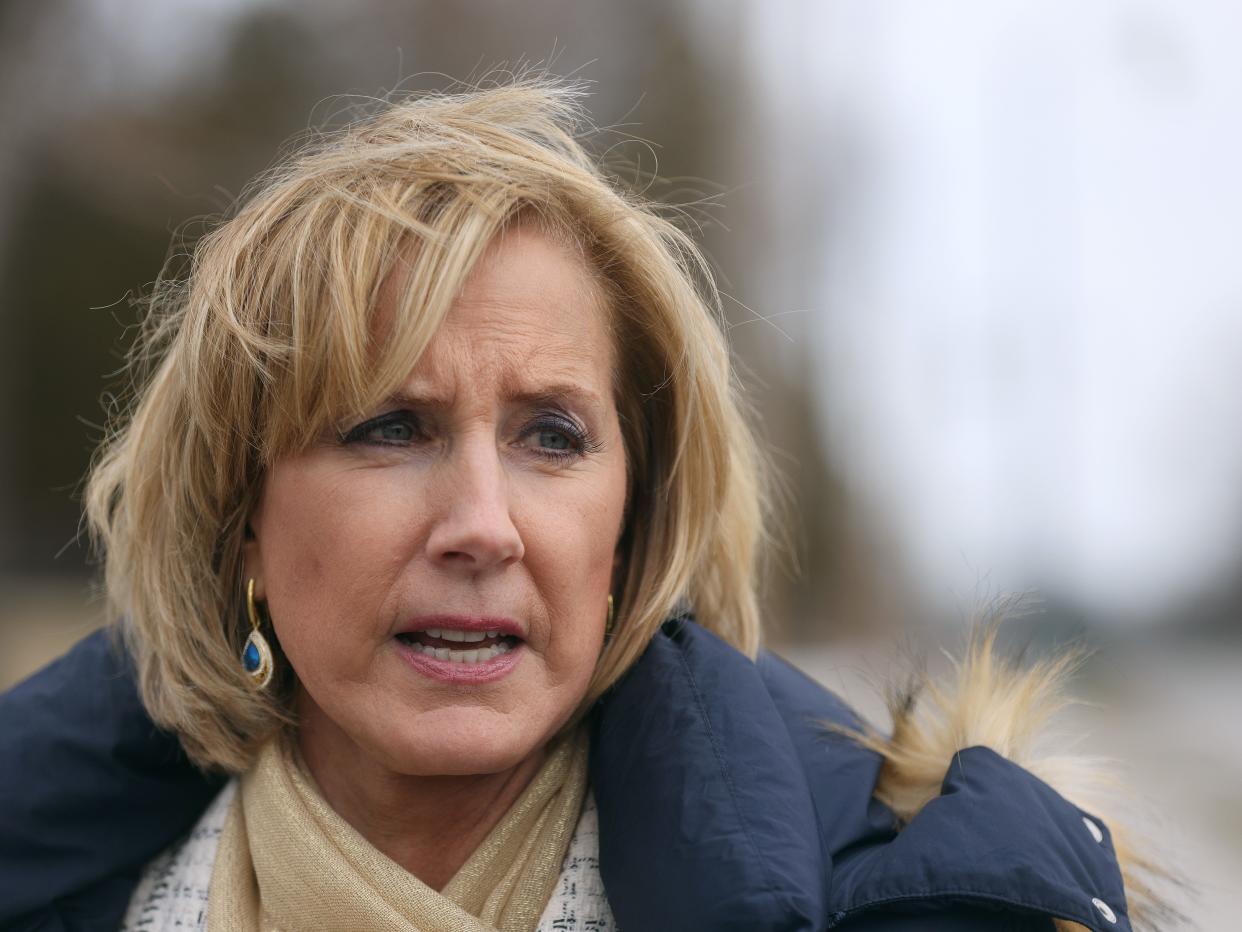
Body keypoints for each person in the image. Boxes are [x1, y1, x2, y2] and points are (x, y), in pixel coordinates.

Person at [0, 78, 1165, 932]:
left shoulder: (945, 904)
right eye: (389, 427)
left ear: (630, 527)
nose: (484, 523)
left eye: (551, 436)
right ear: (239, 511)